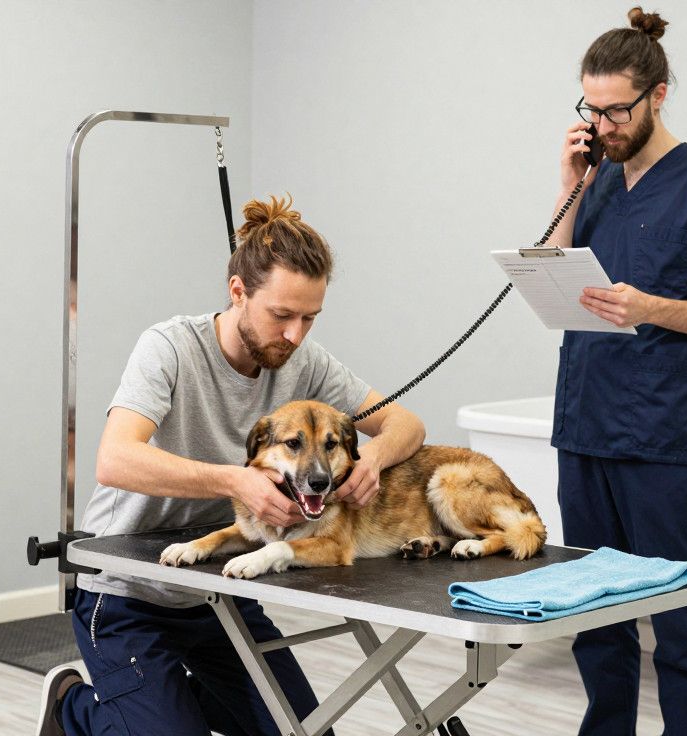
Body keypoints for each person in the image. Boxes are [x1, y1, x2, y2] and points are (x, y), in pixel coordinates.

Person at [37, 194, 426, 736]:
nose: (295, 335)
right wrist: (235, 479)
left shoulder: (303, 360)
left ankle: (166, 697)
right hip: (126, 594)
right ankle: (71, 707)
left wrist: (373, 460)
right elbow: (114, 459)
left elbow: (406, 424)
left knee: (308, 732)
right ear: (238, 292)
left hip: (218, 591)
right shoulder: (169, 349)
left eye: (309, 318)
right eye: (282, 315)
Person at [544, 8, 687, 735]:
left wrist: (651, 306)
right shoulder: (595, 180)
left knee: (679, 620)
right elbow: (551, 265)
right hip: (586, 429)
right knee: (595, 618)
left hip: (664, 439)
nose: (604, 124)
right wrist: (569, 181)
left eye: (617, 110)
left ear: (659, 94)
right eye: (592, 109)